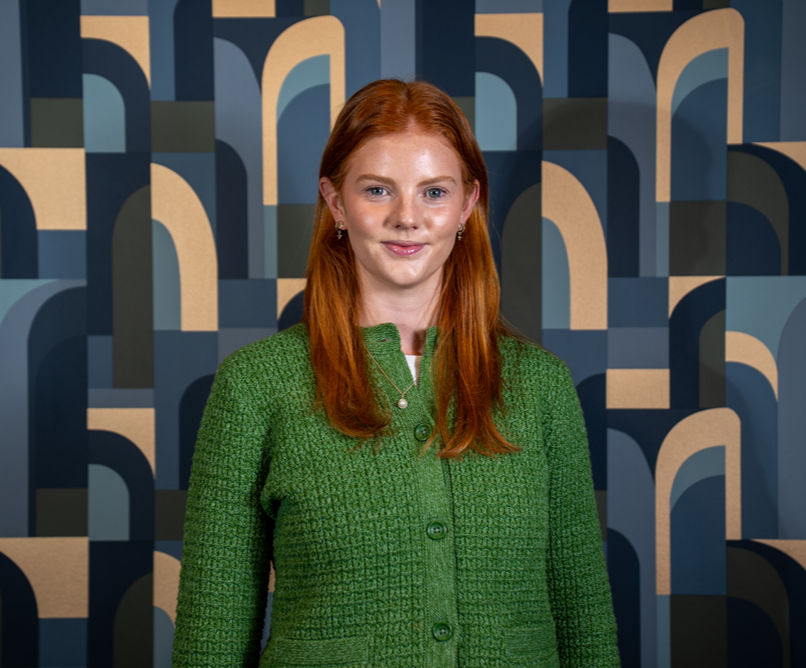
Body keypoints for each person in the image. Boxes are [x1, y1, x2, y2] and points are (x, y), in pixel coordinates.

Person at [172, 79, 620, 667]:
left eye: (434, 192)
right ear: (335, 203)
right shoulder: (257, 386)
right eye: (378, 189)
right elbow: (213, 631)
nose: (407, 217)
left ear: (467, 205)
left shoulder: (540, 386)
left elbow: (582, 613)